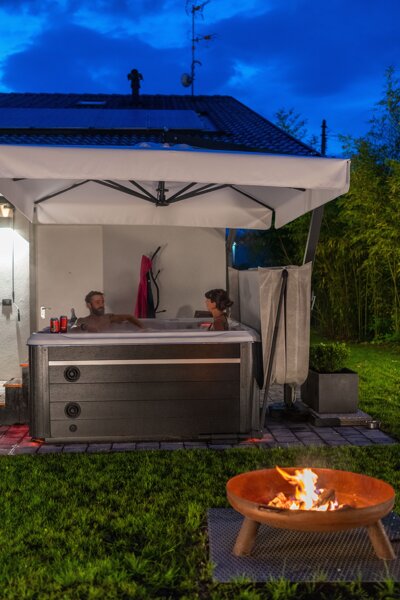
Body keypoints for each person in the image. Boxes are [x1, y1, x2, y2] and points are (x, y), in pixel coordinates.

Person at [75, 291, 144, 332]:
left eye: (102, 302)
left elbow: (129, 317)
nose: (101, 305)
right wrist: (85, 327)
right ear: (89, 305)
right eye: (97, 302)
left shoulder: (109, 318)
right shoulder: (82, 320)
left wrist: (144, 329)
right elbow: (71, 330)